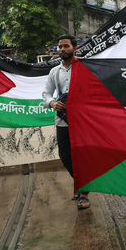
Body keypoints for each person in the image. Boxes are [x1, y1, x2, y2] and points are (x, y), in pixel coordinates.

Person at [42, 35, 90, 210]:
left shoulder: (84, 66)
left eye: (66, 46)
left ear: (75, 48)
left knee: (83, 157)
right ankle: (79, 182)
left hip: (83, 121)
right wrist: (53, 103)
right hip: (63, 121)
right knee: (65, 156)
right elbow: (46, 94)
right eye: (60, 46)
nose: (62, 49)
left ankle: (84, 193)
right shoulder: (55, 72)